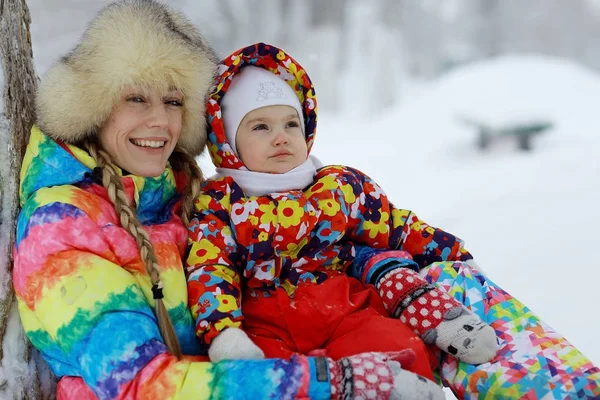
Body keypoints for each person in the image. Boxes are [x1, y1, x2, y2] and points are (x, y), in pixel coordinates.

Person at [13, 2, 447, 400]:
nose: (159, 121)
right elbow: (141, 386)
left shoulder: (185, 195)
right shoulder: (62, 226)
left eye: (173, 101)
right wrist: (334, 381)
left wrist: (399, 282)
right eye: (136, 98)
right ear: (96, 106)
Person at [188, 43, 600, 399]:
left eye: (290, 124)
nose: (281, 137)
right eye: (260, 126)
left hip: (345, 307)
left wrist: (451, 252)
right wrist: (223, 330)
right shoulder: (221, 202)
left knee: (397, 346)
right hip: (265, 317)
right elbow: (210, 266)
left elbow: (397, 226)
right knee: (270, 378)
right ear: (227, 141)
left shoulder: (339, 187)